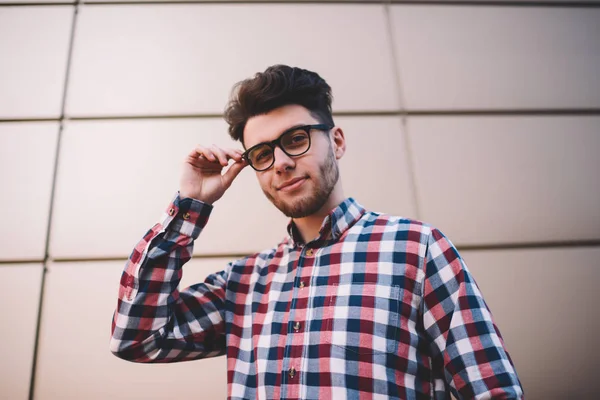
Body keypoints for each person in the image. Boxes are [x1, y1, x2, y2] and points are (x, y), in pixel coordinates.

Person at [110, 65, 523, 399]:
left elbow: (492, 388)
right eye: (262, 153)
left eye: (296, 139)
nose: (281, 163)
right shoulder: (245, 281)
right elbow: (136, 338)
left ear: (337, 141)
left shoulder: (416, 248)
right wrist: (191, 206)